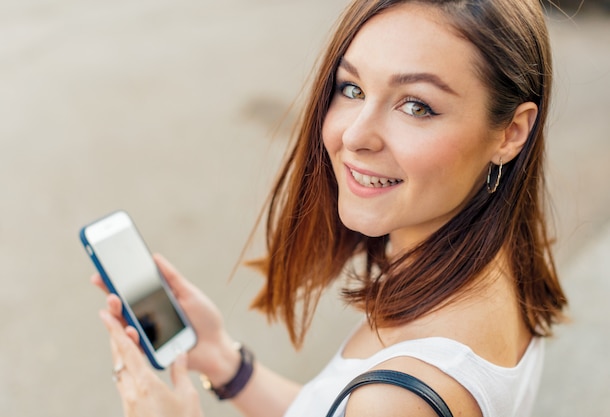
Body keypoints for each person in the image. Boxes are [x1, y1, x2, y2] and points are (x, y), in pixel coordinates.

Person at [93, 0, 568, 416]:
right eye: (352, 89)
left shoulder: (401, 398)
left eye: (417, 106)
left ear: (511, 133)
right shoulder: (501, 264)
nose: (355, 136)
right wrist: (222, 361)